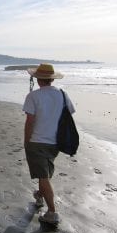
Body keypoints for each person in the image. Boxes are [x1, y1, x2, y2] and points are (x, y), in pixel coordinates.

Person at [22, 64, 75, 224]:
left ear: (38, 79)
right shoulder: (63, 95)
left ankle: (52, 212)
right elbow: (70, 113)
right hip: (56, 143)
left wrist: (26, 140)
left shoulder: (33, 96)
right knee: (43, 171)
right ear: (52, 79)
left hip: (37, 141)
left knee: (43, 175)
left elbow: (30, 121)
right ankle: (39, 196)